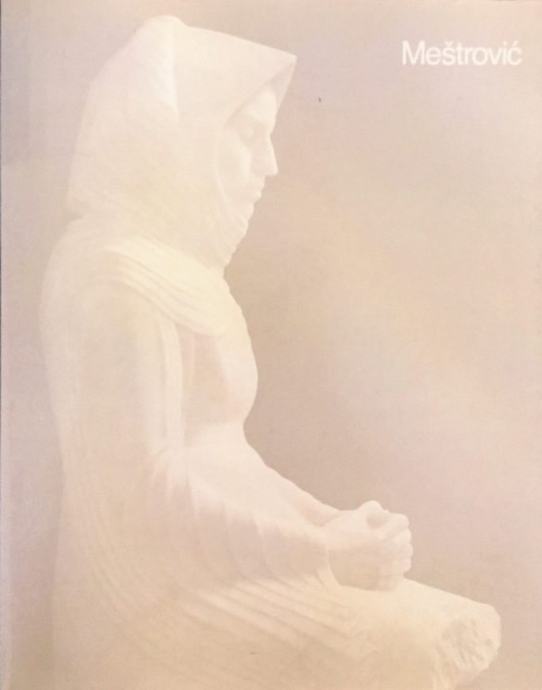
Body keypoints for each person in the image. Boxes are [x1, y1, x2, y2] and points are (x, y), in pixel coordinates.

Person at [41, 15, 499, 689]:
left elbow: (227, 458)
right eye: (250, 137)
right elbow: (147, 496)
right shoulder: (118, 278)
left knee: (449, 623)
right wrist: (318, 550)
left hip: (215, 558)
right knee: (413, 644)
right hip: (145, 597)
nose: (271, 164)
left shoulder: (181, 270)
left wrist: (330, 523)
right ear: (186, 136)